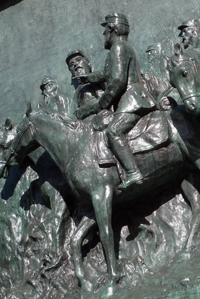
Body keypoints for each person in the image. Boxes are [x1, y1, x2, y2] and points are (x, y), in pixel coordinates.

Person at [75, 13, 157, 189]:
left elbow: (117, 81)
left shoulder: (118, 47)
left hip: (133, 100)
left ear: (112, 29)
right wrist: (87, 78)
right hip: (133, 98)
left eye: (105, 30)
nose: (104, 35)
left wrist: (97, 106)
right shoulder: (122, 47)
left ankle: (133, 173)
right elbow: (106, 73)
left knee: (114, 131)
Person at [66, 50, 106, 118]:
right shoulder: (77, 92)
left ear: (88, 63)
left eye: (79, 60)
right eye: (71, 65)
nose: (75, 64)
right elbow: (74, 114)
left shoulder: (99, 77)